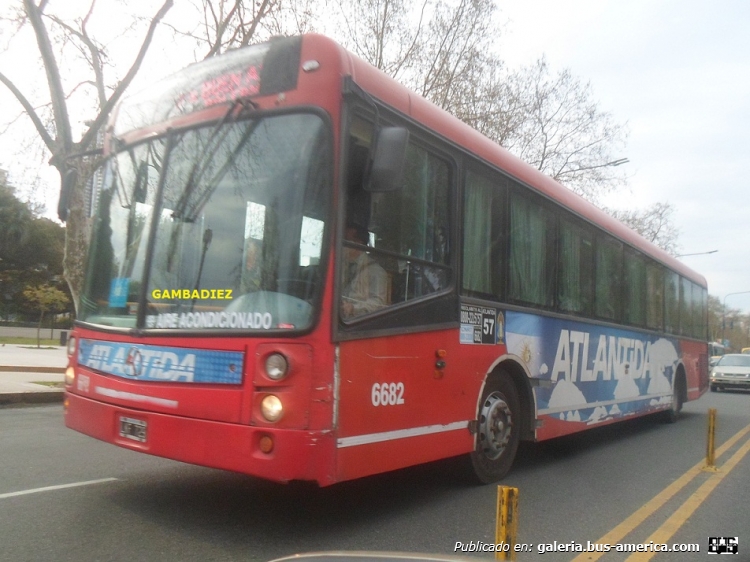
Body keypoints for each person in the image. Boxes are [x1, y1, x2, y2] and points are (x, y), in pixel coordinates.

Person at [341, 223, 388, 318]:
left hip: (358, 321)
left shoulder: (376, 271)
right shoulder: (340, 266)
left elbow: (378, 303)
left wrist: (353, 308)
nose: (342, 245)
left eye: (346, 241)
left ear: (358, 244)